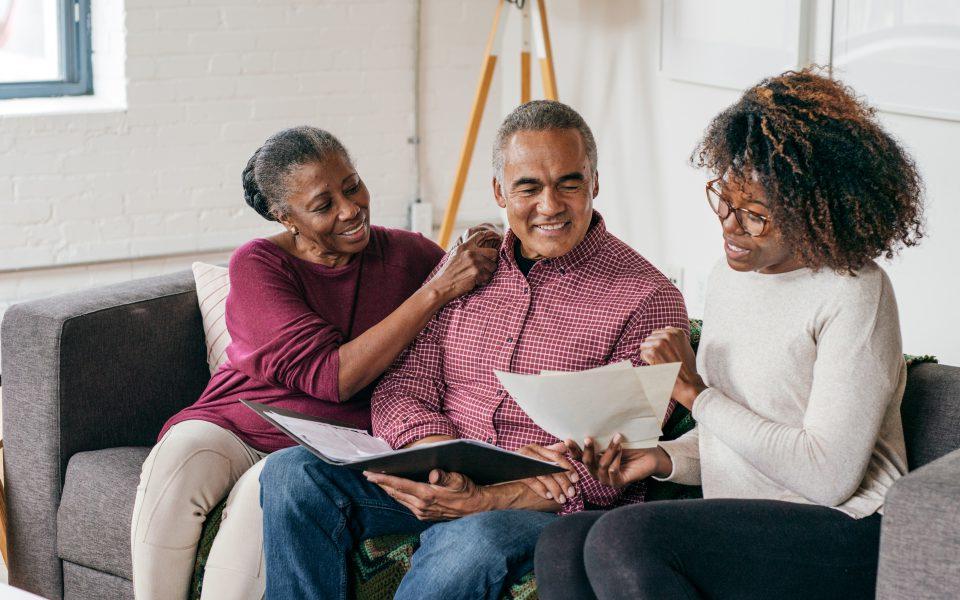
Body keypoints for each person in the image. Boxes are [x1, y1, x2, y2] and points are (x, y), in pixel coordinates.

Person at [259, 100, 689, 600]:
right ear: (499, 191)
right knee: (293, 474)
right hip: (441, 473)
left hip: (542, 508)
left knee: (472, 539)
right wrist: (436, 463)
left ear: (594, 183)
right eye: (528, 186)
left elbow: (623, 459)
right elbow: (401, 388)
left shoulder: (648, 298)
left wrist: (489, 497)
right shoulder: (465, 271)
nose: (549, 205)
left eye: (569, 183)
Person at [534, 68, 925, 600]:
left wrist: (697, 394)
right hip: (747, 520)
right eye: (724, 199)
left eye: (757, 215)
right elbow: (740, 438)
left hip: (845, 531)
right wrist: (664, 460)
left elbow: (826, 474)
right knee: (562, 541)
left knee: (624, 540)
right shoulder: (727, 279)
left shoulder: (854, 292)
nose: (731, 225)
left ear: (815, 212)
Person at [129, 126, 500, 600]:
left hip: (328, 447)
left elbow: (482, 289)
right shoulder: (259, 263)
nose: (350, 210)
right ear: (288, 218)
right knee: (180, 459)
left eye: (352, 186)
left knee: (268, 493)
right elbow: (332, 376)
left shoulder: (408, 255)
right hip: (239, 423)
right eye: (324, 206)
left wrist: (488, 241)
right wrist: (435, 291)